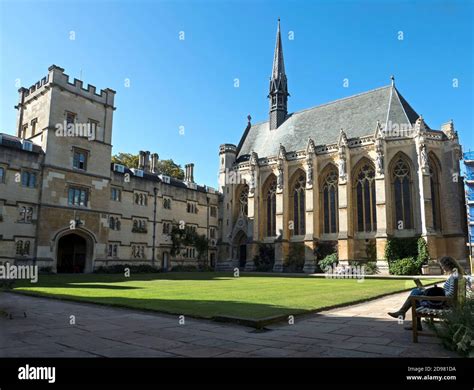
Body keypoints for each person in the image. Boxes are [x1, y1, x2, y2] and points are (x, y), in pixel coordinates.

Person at [387, 256, 462, 331]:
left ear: (448, 265)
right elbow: (450, 292)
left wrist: (438, 293)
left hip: (443, 304)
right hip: (445, 301)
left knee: (415, 296)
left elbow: (450, 295)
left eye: (442, 265)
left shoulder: (454, 277)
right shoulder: (456, 275)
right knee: (417, 292)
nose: (442, 268)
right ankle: (403, 313)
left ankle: (403, 314)